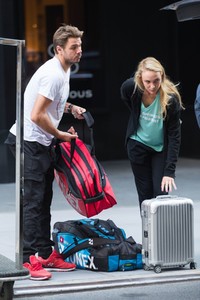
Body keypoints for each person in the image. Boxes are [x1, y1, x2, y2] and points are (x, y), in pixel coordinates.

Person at [5, 24, 86, 280]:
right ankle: (29, 258)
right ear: (59, 49)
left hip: (42, 142)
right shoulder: (53, 73)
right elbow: (37, 114)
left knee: (44, 199)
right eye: (74, 47)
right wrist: (60, 134)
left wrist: (70, 107)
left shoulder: (64, 70)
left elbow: (51, 105)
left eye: (80, 46)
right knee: (33, 202)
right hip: (27, 141)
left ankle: (44, 252)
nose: (79, 51)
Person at [120, 57, 184, 212]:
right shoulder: (132, 88)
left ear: (162, 76)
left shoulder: (170, 99)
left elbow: (174, 136)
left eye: (156, 80)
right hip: (137, 146)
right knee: (145, 197)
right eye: (147, 81)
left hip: (159, 149)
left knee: (161, 196)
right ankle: (148, 235)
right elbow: (126, 99)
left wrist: (169, 172)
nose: (152, 86)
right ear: (140, 78)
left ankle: (161, 235)